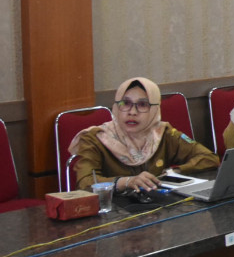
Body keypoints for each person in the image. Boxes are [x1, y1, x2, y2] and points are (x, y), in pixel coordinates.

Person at [72, 77, 219, 192]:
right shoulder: (94, 138)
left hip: (156, 211)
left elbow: (209, 158)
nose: (132, 112)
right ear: (116, 106)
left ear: (155, 109)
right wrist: (126, 182)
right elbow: (85, 183)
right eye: (125, 103)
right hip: (112, 215)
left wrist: (172, 172)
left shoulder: (163, 134)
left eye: (143, 105)